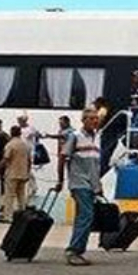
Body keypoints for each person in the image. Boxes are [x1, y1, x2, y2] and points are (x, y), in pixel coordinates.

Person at [57, 109, 102, 266]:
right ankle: (74, 250)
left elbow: (94, 166)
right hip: (79, 183)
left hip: (91, 185)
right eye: (91, 118)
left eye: (96, 118)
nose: (95, 121)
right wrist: (60, 180)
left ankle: (77, 249)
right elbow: (62, 157)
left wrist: (98, 185)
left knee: (83, 216)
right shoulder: (75, 136)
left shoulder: (96, 139)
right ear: (83, 120)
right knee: (86, 216)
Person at [0, 126, 32, 220]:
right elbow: (29, 161)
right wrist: (28, 172)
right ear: (20, 133)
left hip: (12, 173)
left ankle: (8, 216)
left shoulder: (10, 145)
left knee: (9, 196)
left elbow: (6, 158)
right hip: (23, 173)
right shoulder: (25, 145)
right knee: (21, 196)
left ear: (11, 133)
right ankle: (23, 216)